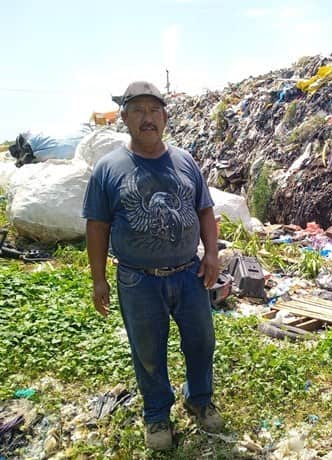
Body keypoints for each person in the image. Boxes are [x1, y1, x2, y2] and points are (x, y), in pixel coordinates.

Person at [82, 81, 223, 450]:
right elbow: (97, 227)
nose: (148, 118)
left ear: (165, 117)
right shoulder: (109, 169)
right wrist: (98, 280)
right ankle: (157, 415)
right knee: (147, 351)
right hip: (138, 280)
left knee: (201, 341)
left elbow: (204, 210)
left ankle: (200, 399)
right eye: (139, 110)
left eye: (155, 110)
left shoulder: (185, 160)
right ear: (125, 117)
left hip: (188, 273)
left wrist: (211, 254)